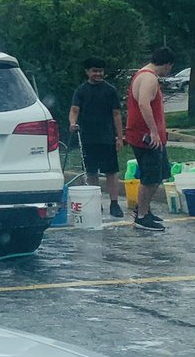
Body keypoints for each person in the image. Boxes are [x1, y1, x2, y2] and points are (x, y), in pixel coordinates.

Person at [123, 47, 176, 232]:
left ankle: (144, 209)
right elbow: (143, 103)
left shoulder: (144, 75)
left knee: (159, 174)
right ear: (167, 64)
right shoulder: (149, 77)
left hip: (150, 137)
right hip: (145, 137)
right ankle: (142, 216)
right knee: (150, 178)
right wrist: (153, 131)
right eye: (170, 67)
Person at [68, 57, 124, 218]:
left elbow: (116, 114)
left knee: (111, 172)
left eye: (100, 71)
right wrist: (73, 123)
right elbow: (74, 110)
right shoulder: (81, 91)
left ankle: (114, 203)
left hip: (107, 137)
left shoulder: (110, 90)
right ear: (87, 72)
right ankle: (95, 202)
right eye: (94, 71)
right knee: (91, 172)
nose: (98, 74)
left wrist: (119, 137)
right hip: (87, 137)